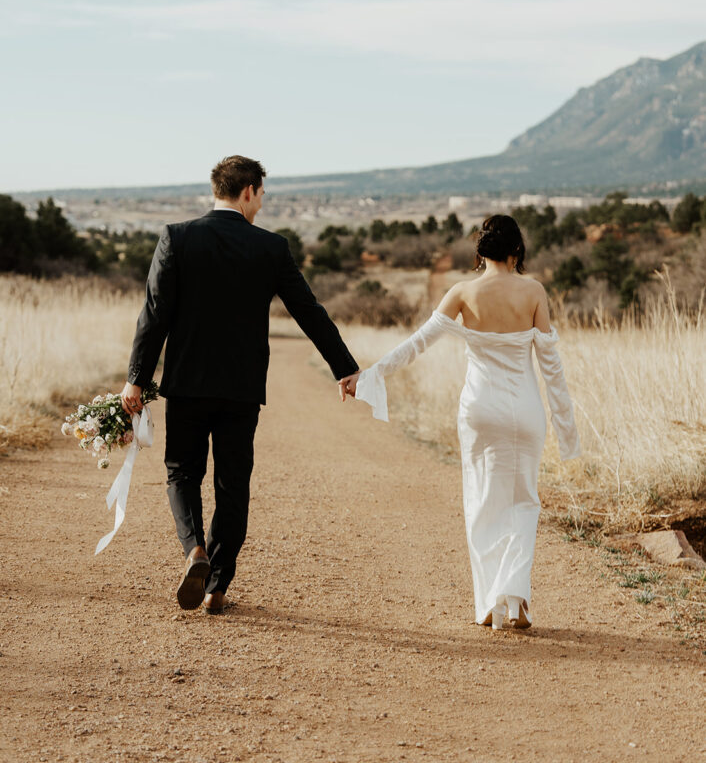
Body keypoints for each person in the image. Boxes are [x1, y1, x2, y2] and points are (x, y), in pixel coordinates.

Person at [120, 155, 359, 614]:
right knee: (233, 485)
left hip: (187, 383)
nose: (262, 204)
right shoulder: (270, 248)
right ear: (248, 191)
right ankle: (217, 587)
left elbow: (154, 314)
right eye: (262, 195)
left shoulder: (177, 237)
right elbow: (309, 311)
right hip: (241, 389)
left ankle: (195, 551)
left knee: (183, 472)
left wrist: (136, 379)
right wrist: (343, 366)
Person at [340, 214, 580, 631]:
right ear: (516, 251)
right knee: (524, 501)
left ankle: (490, 604)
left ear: (480, 252)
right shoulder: (534, 291)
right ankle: (517, 600)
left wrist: (369, 375)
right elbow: (551, 366)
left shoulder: (463, 292)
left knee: (482, 501)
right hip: (524, 409)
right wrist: (567, 428)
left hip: (480, 410)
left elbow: (417, 344)